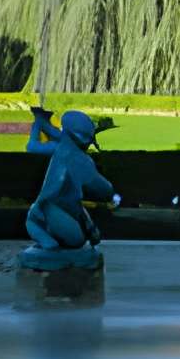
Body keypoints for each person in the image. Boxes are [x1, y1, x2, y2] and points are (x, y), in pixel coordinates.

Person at [18, 107, 118, 268]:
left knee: (36, 213)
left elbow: (32, 146)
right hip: (70, 220)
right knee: (41, 211)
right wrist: (41, 121)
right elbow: (107, 191)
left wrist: (38, 123)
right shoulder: (77, 154)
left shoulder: (64, 150)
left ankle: (50, 244)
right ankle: (56, 241)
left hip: (70, 230)